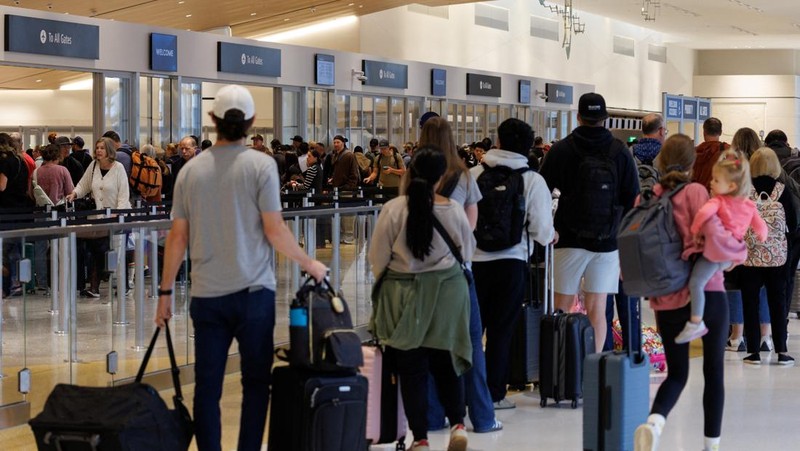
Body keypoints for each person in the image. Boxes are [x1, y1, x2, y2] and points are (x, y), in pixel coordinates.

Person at [154, 85, 326, 451]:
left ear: (213, 120)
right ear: (250, 122)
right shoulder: (261, 165)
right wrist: (310, 263)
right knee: (255, 384)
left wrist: (165, 292)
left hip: (207, 296)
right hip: (254, 296)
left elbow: (177, 238)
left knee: (208, 387)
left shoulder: (190, 171)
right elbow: (274, 229)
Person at [369, 146, 474, 451]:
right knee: (447, 362)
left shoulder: (394, 209)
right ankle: (457, 425)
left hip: (404, 298)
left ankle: (422, 439)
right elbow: (466, 252)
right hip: (447, 296)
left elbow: (377, 258)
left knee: (412, 371)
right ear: (442, 178)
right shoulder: (453, 209)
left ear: (411, 172)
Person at [633, 134, 729, 451]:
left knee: (676, 374)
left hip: (666, 297)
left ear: (660, 161)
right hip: (709, 293)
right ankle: (711, 445)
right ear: (692, 163)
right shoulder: (697, 192)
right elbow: (713, 238)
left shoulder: (646, 197)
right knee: (713, 371)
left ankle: (654, 423)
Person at [413, 116, 502, 433]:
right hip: (456, 273)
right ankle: (482, 416)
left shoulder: (413, 178)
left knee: (428, 346)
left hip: (421, 274)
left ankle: (433, 416)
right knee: (470, 345)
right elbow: (470, 228)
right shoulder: (463, 177)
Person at [539, 93, 639, 351]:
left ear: (578, 117)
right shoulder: (621, 152)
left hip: (568, 238)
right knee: (597, 308)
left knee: (562, 304)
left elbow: (541, 190)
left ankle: (563, 370)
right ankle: (592, 370)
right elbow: (633, 201)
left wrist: (547, 228)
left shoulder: (561, 149)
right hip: (607, 242)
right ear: (605, 119)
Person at [471, 118, 556, 409]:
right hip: (512, 263)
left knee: (472, 329)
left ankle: (468, 390)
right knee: (501, 332)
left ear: (498, 140)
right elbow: (542, 231)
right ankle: (494, 395)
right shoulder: (532, 180)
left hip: (475, 263)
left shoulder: (473, 174)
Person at [674, 151, 766, 344]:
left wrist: (695, 229)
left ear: (731, 186)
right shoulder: (749, 204)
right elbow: (760, 226)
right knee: (711, 279)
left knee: (696, 282)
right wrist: (762, 237)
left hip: (718, 250)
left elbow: (703, 214)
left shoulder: (718, 201)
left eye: (716, 180)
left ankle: (696, 320)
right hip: (734, 254)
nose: (711, 183)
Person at [738, 147, 796, 366]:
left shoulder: (745, 191)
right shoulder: (782, 190)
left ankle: (753, 351)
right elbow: (792, 224)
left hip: (750, 255)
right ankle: (781, 350)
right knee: (777, 302)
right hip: (777, 256)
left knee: (750, 302)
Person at [66, 137, 131, 298]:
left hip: (117, 216)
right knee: (97, 250)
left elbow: (124, 194)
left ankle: (123, 285)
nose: (99, 151)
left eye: (102, 148)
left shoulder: (119, 168)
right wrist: (74, 193)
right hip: (98, 217)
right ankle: (94, 286)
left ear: (109, 150)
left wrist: (118, 213)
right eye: (97, 148)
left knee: (118, 250)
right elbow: (84, 184)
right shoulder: (93, 166)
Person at [692, 117, 730, 189]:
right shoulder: (728, 151)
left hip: (697, 195)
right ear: (721, 132)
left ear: (704, 132)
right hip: (718, 195)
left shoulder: (693, 152)